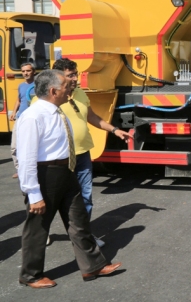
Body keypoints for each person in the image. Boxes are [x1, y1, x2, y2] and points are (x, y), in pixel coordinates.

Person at [15, 69, 121, 288]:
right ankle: (31, 275)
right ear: (53, 91)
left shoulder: (58, 111)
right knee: (38, 227)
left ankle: (92, 266)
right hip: (46, 176)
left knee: (78, 220)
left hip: (66, 171)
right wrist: (34, 194)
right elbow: (26, 158)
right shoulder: (33, 116)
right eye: (65, 86)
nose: (70, 88)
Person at [45, 58, 133, 247]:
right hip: (58, 157)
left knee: (85, 197)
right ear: (58, 77)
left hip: (83, 154)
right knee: (52, 199)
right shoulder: (48, 97)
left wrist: (114, 130)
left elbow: (91, 117)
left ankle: (84, 237)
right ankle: (41, 231)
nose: (76, 78)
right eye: (71, 75)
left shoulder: (80, 93)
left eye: (76, 74)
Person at [10, 63, 36, 178]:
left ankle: (33, 169)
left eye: (28, 71)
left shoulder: (39, 85)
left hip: (32, 120)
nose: (26, 73)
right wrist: (14, 112)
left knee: (31, 146)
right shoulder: (21, 86)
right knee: (15, 146)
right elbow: (19, 100)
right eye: (23, 71)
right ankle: (19, 169)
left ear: (33, 71)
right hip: (20, 119)